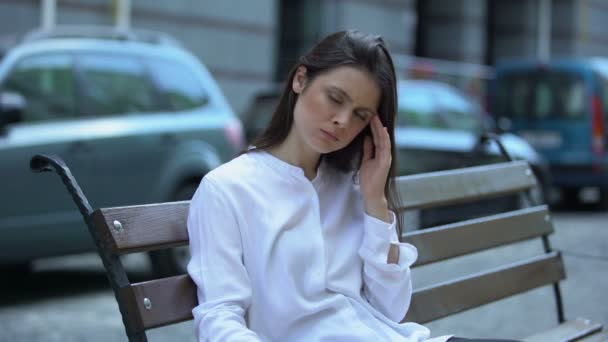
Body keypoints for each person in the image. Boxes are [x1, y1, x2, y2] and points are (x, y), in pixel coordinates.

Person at [187, 30, 520, 342]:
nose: (342, 121)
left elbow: (391, 308)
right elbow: (219, 314)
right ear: (300, 79)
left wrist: (376, 202)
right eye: (335, 98)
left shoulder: (352, 187)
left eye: (360, 115)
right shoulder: (228, 189)